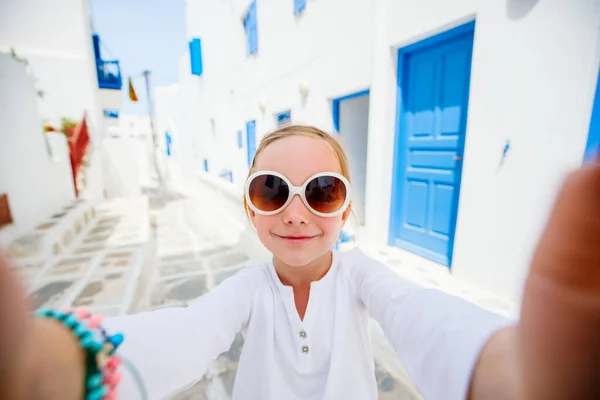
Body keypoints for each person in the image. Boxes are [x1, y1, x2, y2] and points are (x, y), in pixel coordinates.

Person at [1, 125, 599, 400]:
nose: (295, 213)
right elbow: (190, 330)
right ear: (251, 209)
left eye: (320, 191)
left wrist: (497, 369)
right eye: (271, 191)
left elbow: (416, 312)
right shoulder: (247, 286)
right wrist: (67, 365)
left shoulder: (361, 274)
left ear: (345, 208)